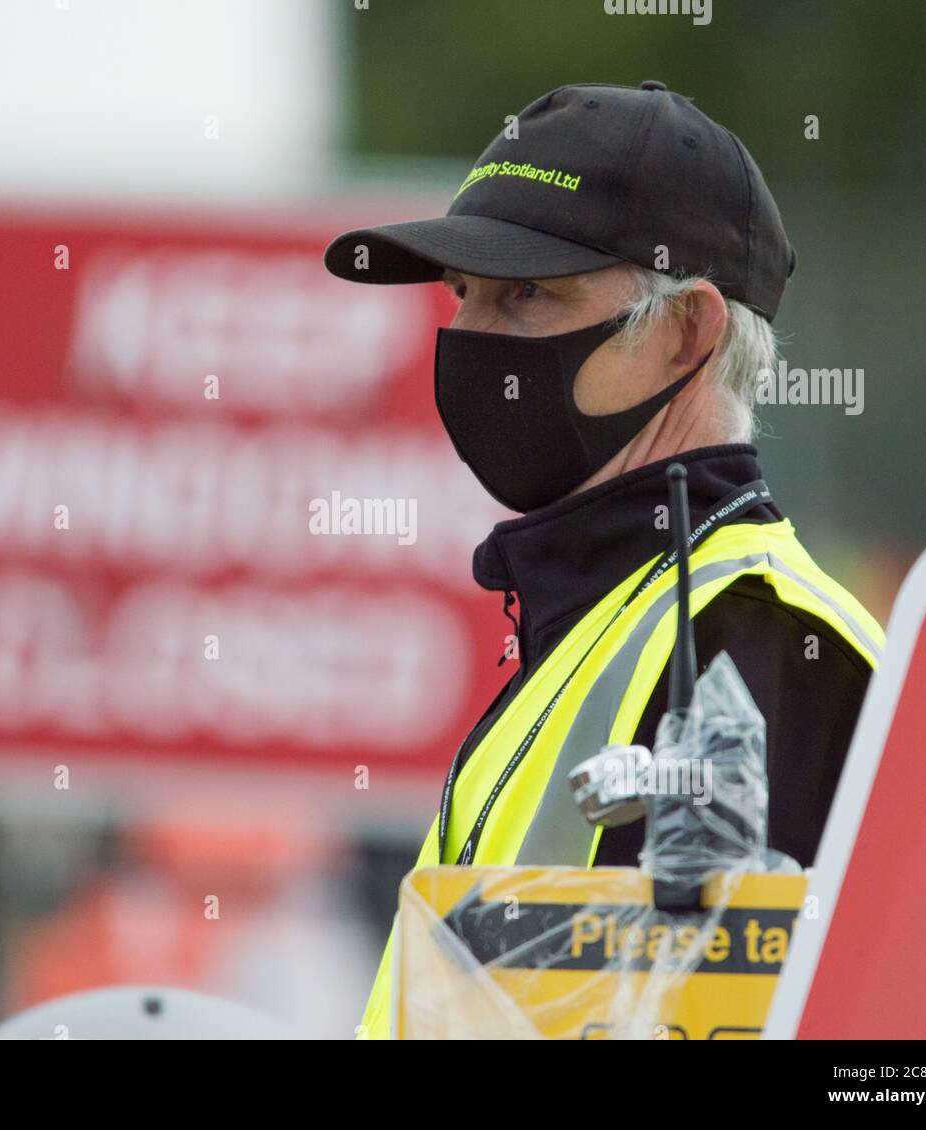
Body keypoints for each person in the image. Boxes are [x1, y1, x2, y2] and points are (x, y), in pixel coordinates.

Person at [323, 81, 883, 1039]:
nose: (466, 340)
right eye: (465, 296)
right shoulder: (603, 614)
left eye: (528, 294)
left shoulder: (754, 639)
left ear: (685, 333)